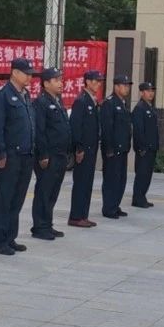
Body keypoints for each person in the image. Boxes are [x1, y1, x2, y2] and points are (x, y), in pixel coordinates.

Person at [0, 58, 36, 255]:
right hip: (10, 156)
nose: (30, 77)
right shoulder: (2, 95)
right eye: (26, 73)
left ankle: (10, 237)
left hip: (26, 155)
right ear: (15, 73)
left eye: (31, 74)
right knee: (4, 198)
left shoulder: (26, 95)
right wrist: (0, 153)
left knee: (17, 198)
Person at [30, 68, 71, 240]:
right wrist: (43, 155)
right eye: (56, 80)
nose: (61, 83)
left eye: (61, 79)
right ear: (46, 83)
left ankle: (47, 224)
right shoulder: (41, 102)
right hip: (49, 156)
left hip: (60, 154)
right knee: (44, 191)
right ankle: (39, 227)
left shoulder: (58, 101)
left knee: (53, 191)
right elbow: (39, 131)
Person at [67, 70, 104, 228]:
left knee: (87, 183)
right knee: (81, 183)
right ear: (87, 82)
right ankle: (76, 216)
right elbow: (76, 126)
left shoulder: (92, 100)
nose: (98, 84)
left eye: (100, 81)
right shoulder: (81, 101)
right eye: (95, 81)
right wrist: (79, 148)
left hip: (91, 148)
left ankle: (83, 215)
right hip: (83, 149)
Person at [99, 75, 133, 219]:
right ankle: (108, 208)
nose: (127, 88)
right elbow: (107, 128)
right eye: (124, 85)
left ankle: (115, 205)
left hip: (122, 149)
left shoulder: (123, 103)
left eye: (128, 85)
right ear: (116, 86)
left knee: (120, 179)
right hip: (112, 150)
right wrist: (109, 149)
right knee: (111, 180)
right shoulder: (109, 103)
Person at [130, 82, 159, 209]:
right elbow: (138, 130)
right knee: (142, 174)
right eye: (148, 91)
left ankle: (142, 196)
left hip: (151, 147)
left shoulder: (150, 107)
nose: (151, 93)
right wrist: (141, 147)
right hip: (144, 149)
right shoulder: (139, 108)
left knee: (147, 174)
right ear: (142, 93)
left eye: (152, 90)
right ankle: (137, 198)